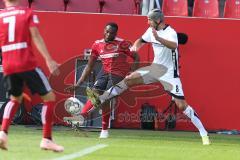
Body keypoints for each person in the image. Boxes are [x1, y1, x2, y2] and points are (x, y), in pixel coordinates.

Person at [86, 9, 210, 145]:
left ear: (158, 20)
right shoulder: (150, 30)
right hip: (155, 69)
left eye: (150, 20)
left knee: (182, 105)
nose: (148, 22)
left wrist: (158, 39)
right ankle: (102, 98)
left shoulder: (171, 32)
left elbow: (174, 45)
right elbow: (141, 40)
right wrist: (134, 49)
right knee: (128, 79)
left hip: (170, 74)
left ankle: (204, 134)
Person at [0, 0, 64, 152]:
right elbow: (35, 36)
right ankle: (47, 139)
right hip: (26, 62)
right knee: (49, 97)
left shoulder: (1, 15)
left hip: (8, 64)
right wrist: (49, 59)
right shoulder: (27, 12)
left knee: (15, 99)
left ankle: (2, 134)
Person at [65, 22, 139, 138]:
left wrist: (131, 73)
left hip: (118, 73)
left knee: (106, 97)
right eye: (107, 31)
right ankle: (83, 119)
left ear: (116, 34)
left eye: (112, 33)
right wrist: (78, 84)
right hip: (104, 72)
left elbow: (136, 57)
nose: (109, 35)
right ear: (104, 30)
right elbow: (89, 66)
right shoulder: (97, 45)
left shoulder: (122, 43)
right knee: (94, 95)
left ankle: (100, 128)